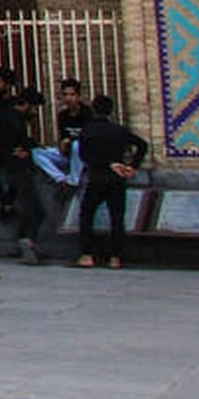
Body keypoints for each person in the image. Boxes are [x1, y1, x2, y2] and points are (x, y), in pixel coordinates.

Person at [0, 68, 48, 265]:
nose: (34, 113)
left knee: (32, 207)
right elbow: (9, 141)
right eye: (33, 108)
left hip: (16, 166)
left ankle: (25, 237)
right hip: (17, 167)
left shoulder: (13, 115)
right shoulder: (10, 117)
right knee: (35, 209)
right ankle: (26, 239)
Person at [72, 96, 149, 269]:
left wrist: (105, 164)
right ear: (111, 110)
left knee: (86, 214)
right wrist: (131, 166)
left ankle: (87, 255)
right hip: (117, 179)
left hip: (97, 177)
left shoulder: (87, 131)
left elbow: (84, 156)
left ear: (94, 109)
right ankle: (115, 258)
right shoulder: (118, 130)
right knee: (116, 217)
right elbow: (142, 145)